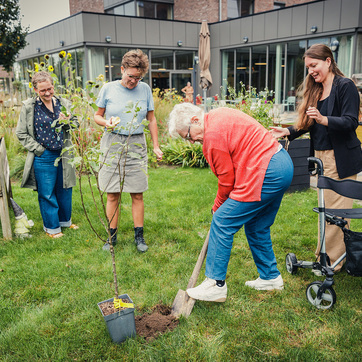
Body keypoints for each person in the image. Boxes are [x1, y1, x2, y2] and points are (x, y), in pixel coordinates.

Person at [168, 103, 293, 302]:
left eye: (188, 136)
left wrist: (217, 207)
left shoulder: (212, 137)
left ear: (194, 120)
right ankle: (270, 278)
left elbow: (227, 180)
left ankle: (215, 284)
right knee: (257, 226)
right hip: (282, 164)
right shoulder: (217, 115)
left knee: (222, 221)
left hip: (267, 171)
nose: (191, 141)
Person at [270, 44, 362, 272]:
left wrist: (324, 119)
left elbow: (351, 121)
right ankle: (326, 255)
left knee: (336, 212)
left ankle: (332, 261)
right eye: (308, 67)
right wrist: (288, 131)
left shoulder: (345, 86)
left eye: (314, 65)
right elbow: (309, 122)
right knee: (326, 210)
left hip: (340, 158)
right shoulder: (316, 88)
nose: (310, 70)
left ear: (328, 61)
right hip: (320, 158)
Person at [94, 49, 163, 252]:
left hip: (135, 143)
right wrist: (106, 122)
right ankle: (111, 237)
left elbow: (151, 119)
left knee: (137, 193)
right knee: (112, 194)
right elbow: (97, 116)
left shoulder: (145, 89)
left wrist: (156, 145)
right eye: (131, 76)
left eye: (138, 77)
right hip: (113, 143)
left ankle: (139, 237)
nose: (134, 81)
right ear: (122, 69)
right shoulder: (108, 89)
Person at [16, 71, 78, 238]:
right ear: (35, 89)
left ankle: (65, 221)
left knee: (65, 188)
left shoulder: (63, 102)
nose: (48, 93)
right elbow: (21, 133)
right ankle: (52, 228)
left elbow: (76, 123)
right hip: (44, 156)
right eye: (43, 90)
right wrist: (39, 150)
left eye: (50, 88)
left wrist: (68, 122)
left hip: (64, 153)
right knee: (47, 193)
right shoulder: (30, 107)